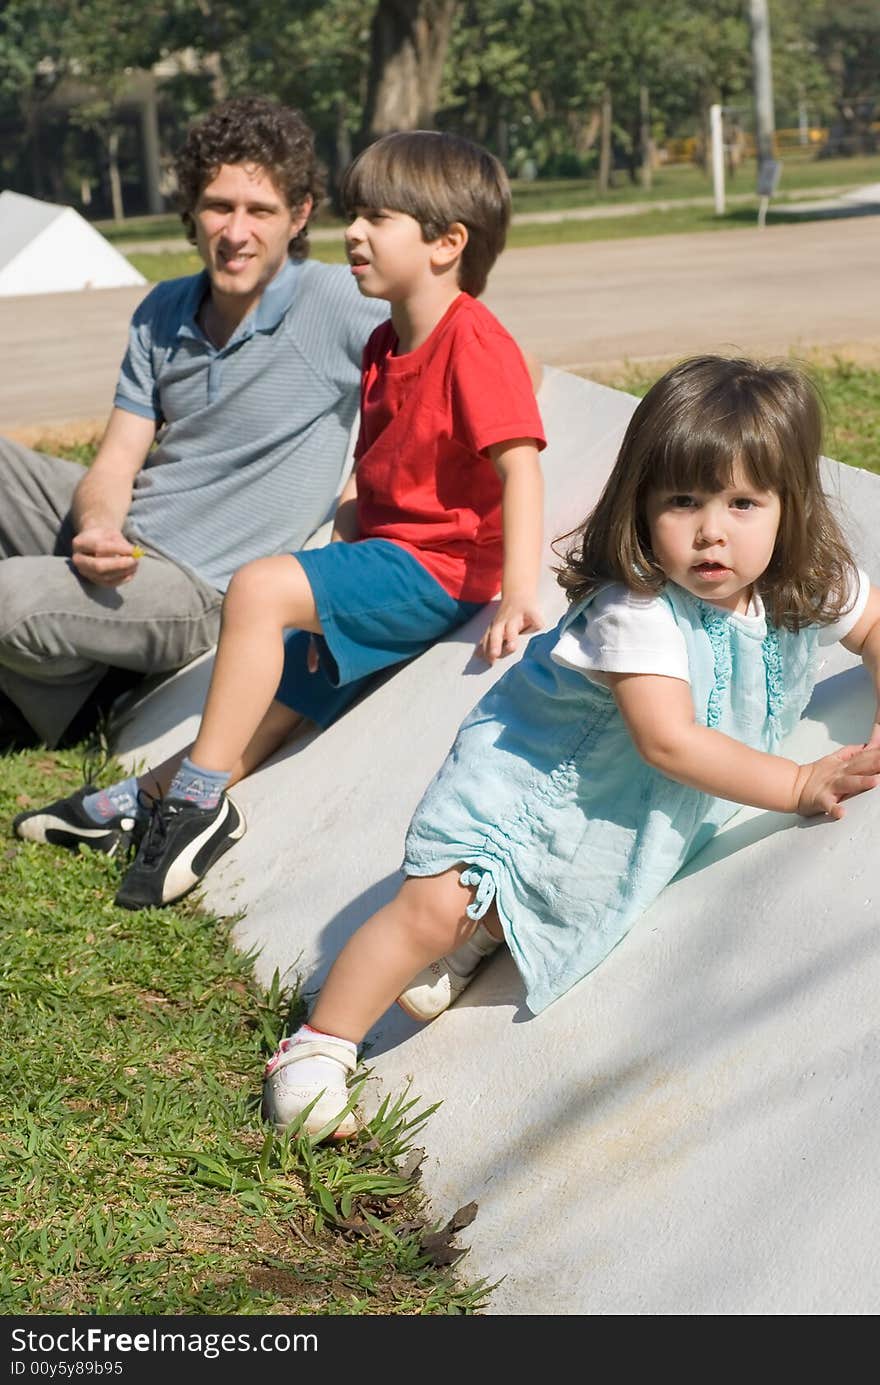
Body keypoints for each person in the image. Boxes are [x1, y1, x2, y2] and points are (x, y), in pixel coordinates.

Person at [260, 354, 880, 1140]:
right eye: (683, 501)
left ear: (790, 507)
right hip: (529, 783)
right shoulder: (642, 607)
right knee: (437, 901)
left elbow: (872, 626)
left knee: (560, 880)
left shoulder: (803, 579)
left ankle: (479, 937)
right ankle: (320, 1045)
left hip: (614, 802)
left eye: (744, 502)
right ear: (641, 503)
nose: (712, 530)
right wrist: (795, 783)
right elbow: (669, 739)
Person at [16, 130, 546, 913]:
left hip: (441, 569)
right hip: (392, 558)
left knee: (261, 589)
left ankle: (197, 807)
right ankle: (144, 798)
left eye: (377, 218)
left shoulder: (473, 340)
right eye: (353, 215)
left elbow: (520, 464)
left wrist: (520, 591)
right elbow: (387, 470)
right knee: (281, 690)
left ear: (447, 242)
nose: (352, 234)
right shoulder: (381, 340)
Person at [0, 96, 386, 752]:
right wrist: (96, 525)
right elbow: (118, 462)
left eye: (259, 210)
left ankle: (78, 691)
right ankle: (59, 653)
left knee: (7, 598)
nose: (236, 231)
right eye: (218, 206)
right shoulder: (163, 308)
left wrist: (355, 513)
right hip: (128, 538)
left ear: (297, 217)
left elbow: (467, 349)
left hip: (200, 587)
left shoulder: (335, 302)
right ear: (192, 211)